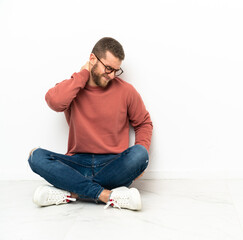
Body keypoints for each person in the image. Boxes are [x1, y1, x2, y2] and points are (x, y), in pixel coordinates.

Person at [28, 37, 153, 210]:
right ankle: (106, 195)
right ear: (93, 59)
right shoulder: (74, 87)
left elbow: (144, 123)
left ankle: (72, 192)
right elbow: (54, 102)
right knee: (36, 156)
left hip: (113, 165)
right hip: (77, 163)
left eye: (117, 70)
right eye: (108, 68)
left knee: (141, 154)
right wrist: (82, 76)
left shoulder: (126, 91)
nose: (112, 75)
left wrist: (143, 151)